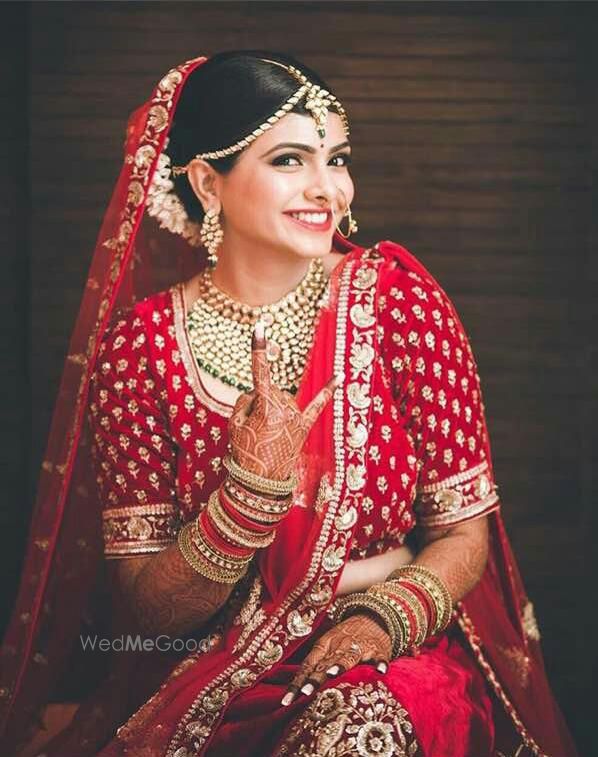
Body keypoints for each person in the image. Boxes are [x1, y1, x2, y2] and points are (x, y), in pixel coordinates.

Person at [0, 51, 578, 757]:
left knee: (358, 732)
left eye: (336, 158)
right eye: (289, 160)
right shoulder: (141, 348)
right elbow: (142, 604)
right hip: (205, 664)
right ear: (208, 183)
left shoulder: (401, 304)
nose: (327, 189)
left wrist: (382, 621)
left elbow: (464, 534)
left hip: (395, 654)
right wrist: (247, 497)